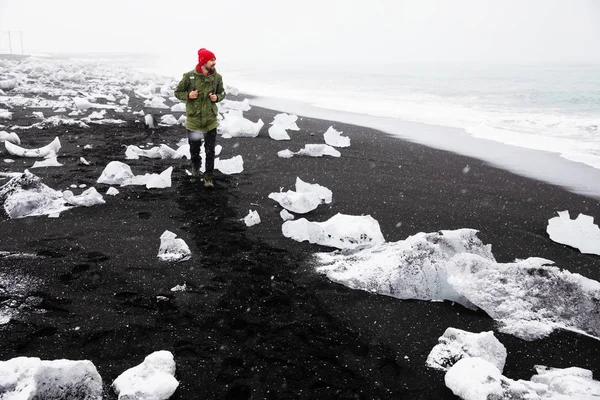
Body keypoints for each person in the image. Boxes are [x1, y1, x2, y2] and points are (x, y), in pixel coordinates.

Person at [174, 48, 226, 187]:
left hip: (210, 120)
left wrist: (217, 97)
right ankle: (196, 168)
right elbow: (177, 92)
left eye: (214, 59)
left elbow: (222, 93)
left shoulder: (217, 78)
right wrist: (188, 96)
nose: (214, 62)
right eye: (211, 60)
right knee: (194, 149)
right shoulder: (189, 76)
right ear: (203, 61)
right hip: (194, 120)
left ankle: (208, 176)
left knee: (210, 150)